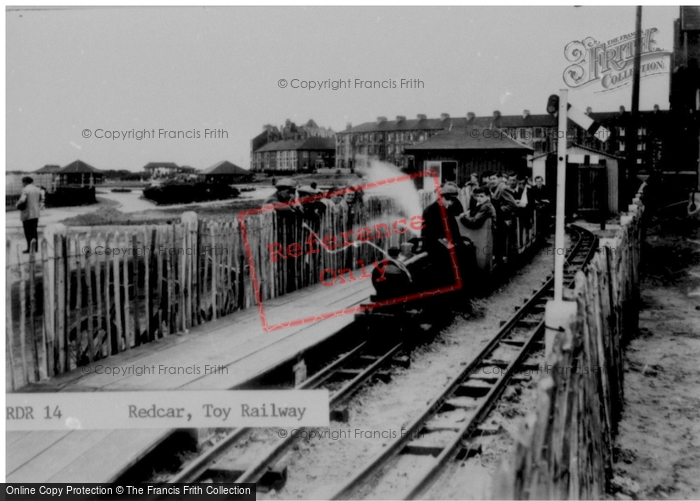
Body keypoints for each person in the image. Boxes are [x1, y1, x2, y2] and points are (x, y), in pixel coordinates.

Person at [16, 176, 45, 254]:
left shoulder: (25, 190)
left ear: (25, 182)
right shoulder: (37, 189)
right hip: (36, 214)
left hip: (27, 214)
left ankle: (29, 248)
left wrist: (17, 204)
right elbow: (40, 200)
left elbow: (22, 200)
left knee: (28, 232)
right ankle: (35, 248)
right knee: (34, 231)